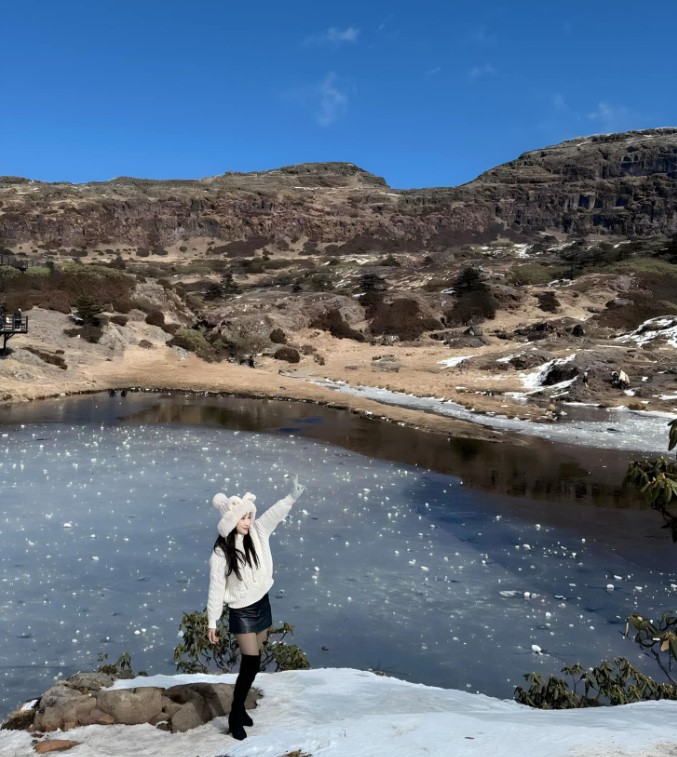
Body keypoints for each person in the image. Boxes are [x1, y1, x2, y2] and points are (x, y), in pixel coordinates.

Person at [207, 474, 305, 741]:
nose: (248, 522)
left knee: (256, 655)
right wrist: (212, 621)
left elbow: (274, 514)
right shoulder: (220, 554)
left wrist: (291, 497)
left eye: (250, 517)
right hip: (242, 611)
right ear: (231, 521)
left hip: (263, 603)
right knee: (252, 661)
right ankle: (235, 714)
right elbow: (216, 587)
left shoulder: (257, 533)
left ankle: (239, 709)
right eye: (243, 518)